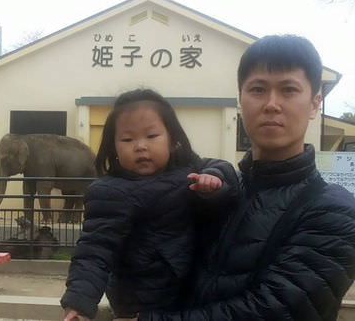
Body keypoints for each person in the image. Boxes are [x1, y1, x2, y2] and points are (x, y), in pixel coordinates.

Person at [140, 35, 355, 320]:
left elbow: (278, 310)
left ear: (315, 104)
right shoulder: (219, 190)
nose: (271, 104)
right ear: (241, 100)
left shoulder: (335, 210)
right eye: (257, 89)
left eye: (289, 90)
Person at [60, 89, 237, 320]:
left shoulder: (189, 170)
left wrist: (213, 180)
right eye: (127, 139)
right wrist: (79, 302)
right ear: (113, 147)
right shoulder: (109, 191)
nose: (140, 146)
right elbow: (94, 251)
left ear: (172, 139)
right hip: (139, 303)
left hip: (191, 295)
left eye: (152, 136)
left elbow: (223, 169)